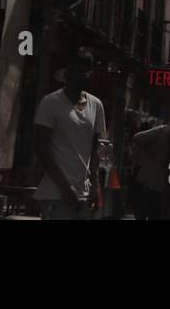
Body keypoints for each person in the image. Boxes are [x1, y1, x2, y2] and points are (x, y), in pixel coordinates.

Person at [34, 49, 105, 220]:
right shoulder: (51, 102)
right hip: (56, 194)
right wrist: (64, 186)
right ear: (66, 73)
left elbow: (95, 148)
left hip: (84, 194)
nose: (75, 76)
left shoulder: (96, 105)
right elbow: (41, 148)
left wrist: (95, 186)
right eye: (72, 71)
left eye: (81, 72)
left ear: (89, 74)